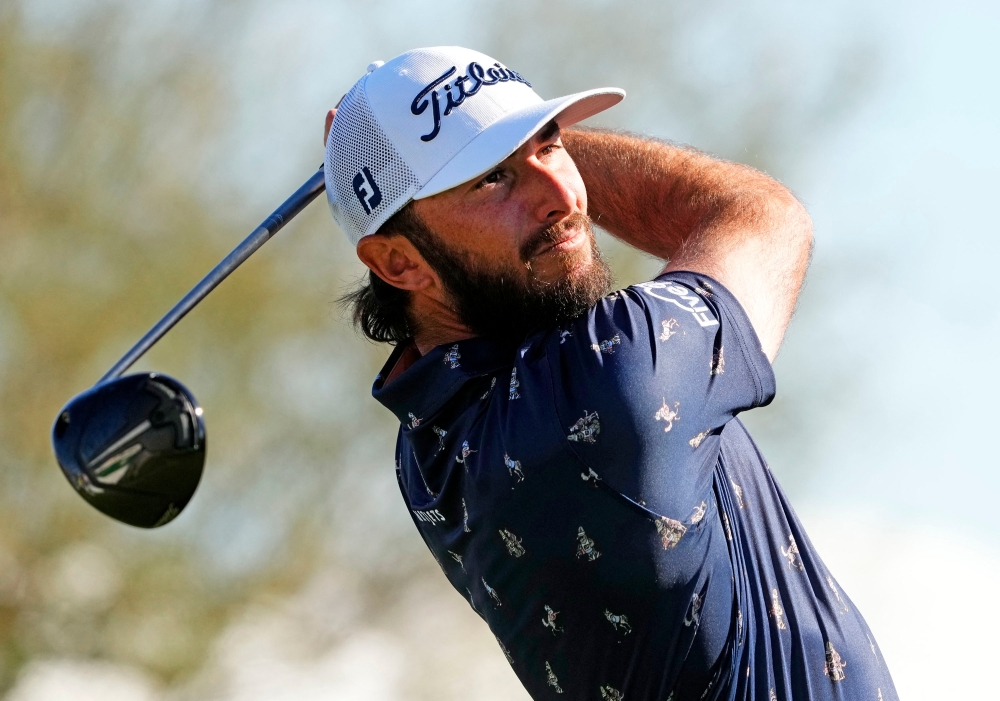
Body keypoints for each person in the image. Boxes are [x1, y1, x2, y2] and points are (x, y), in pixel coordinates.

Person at [323, 46, 898, 701]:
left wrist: (378, 177)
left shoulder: (425, 449)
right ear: (399, 264)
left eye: (550, 147)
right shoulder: (615, 372)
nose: (563, 196)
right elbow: (761, 215)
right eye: (491, 178)